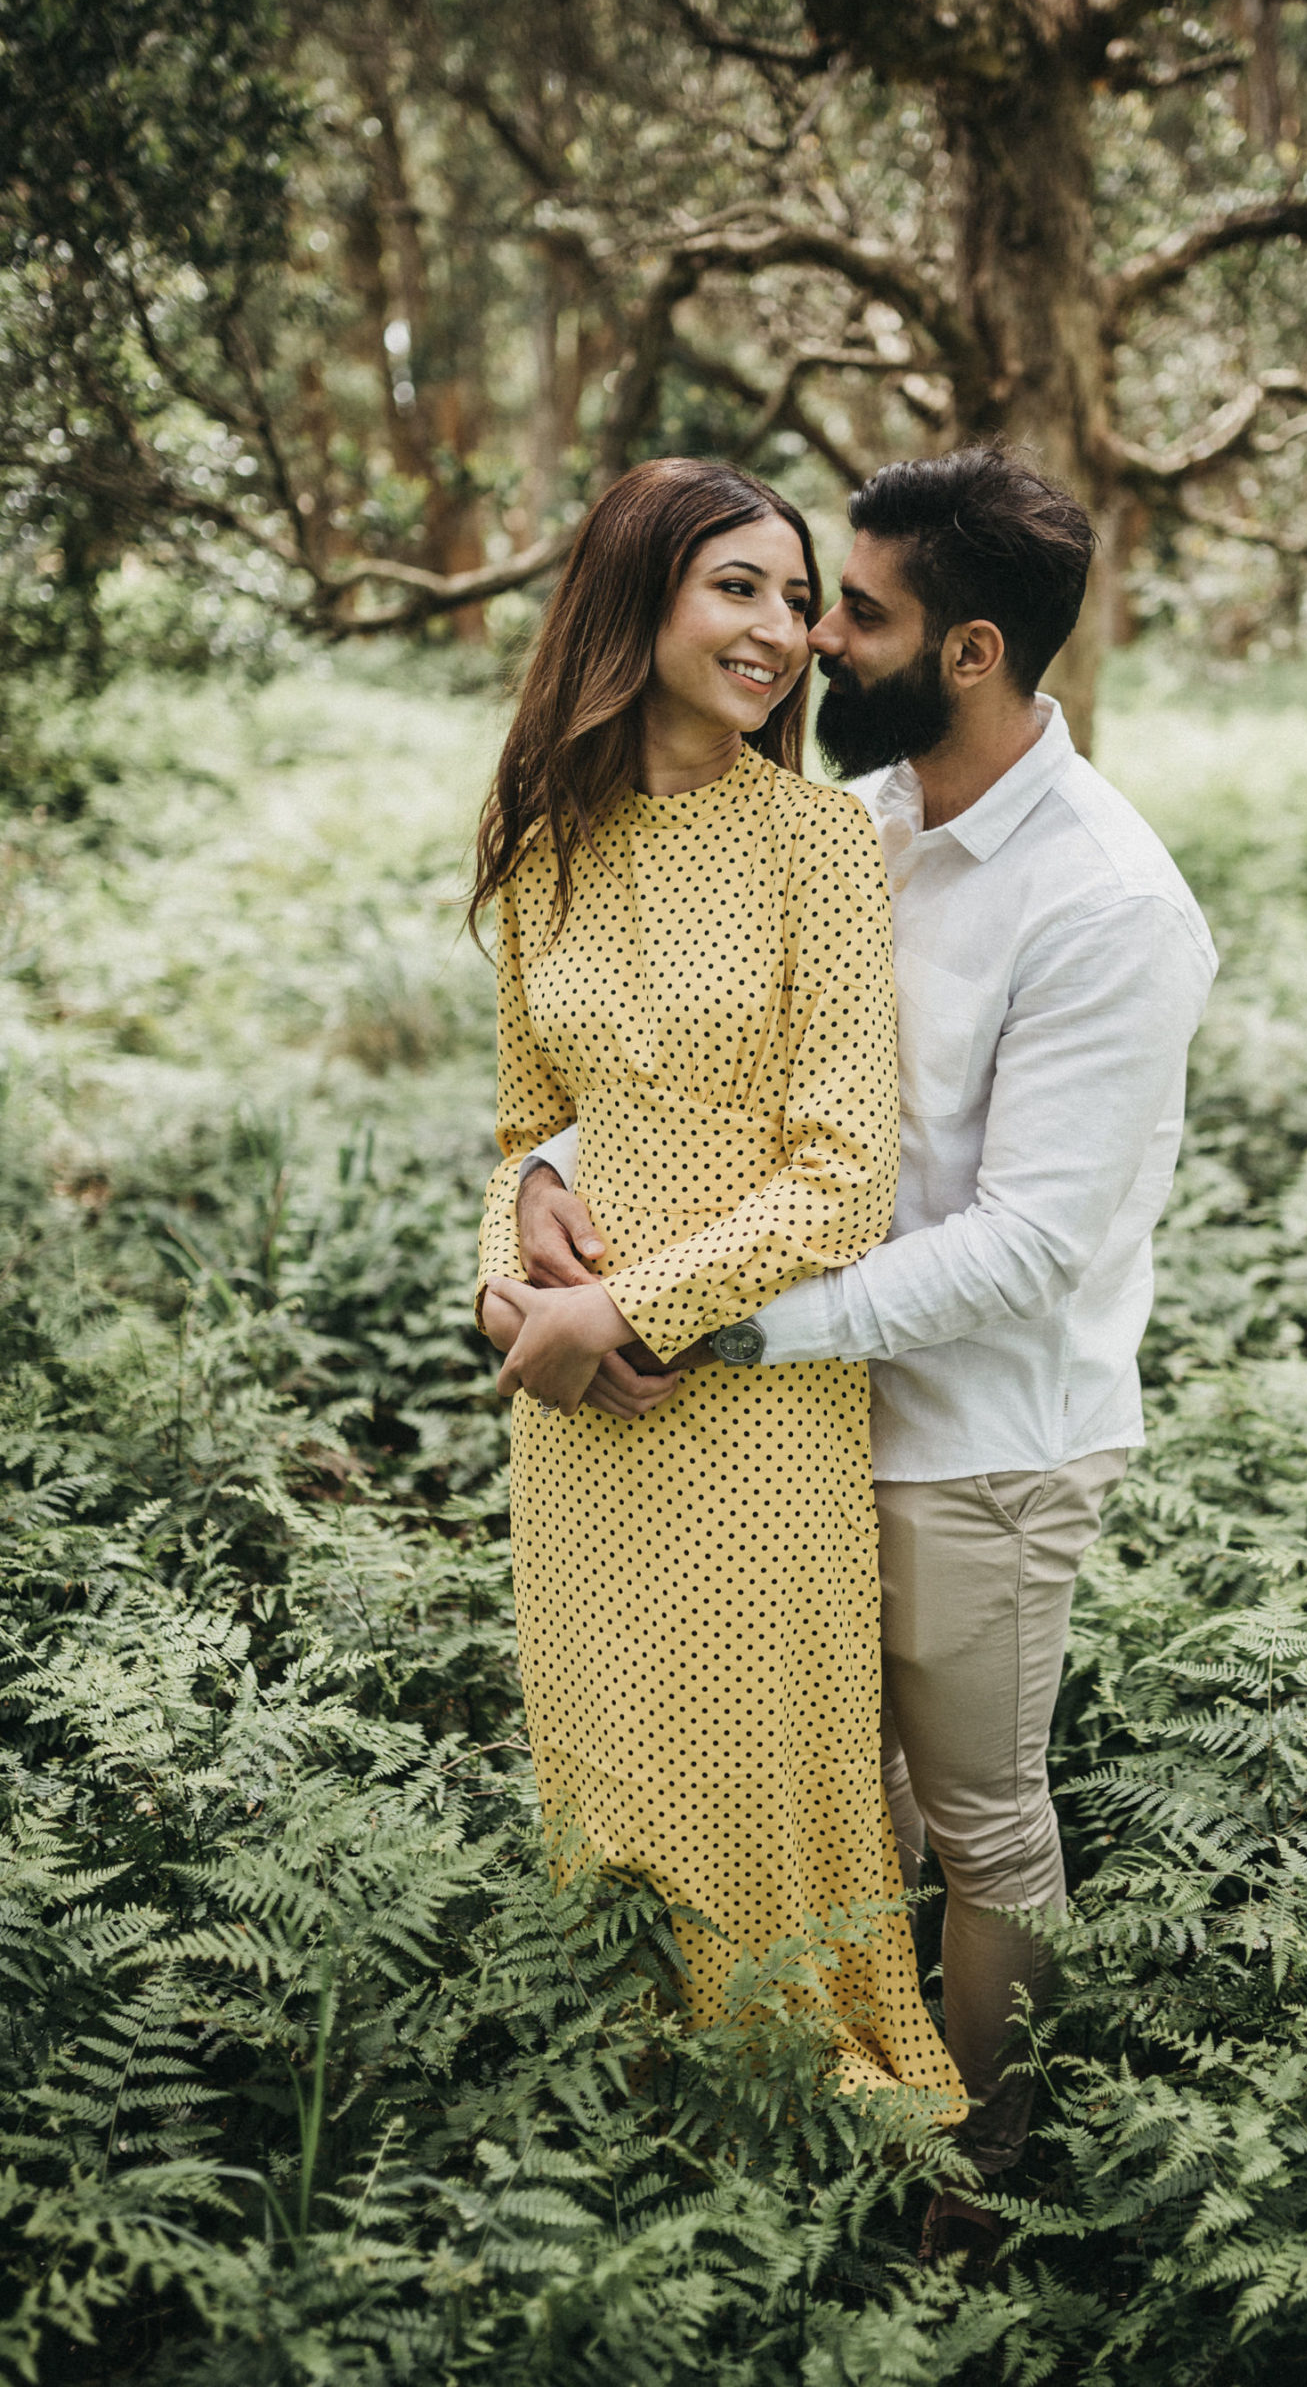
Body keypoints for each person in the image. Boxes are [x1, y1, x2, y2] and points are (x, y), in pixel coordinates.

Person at [517, 447, 1217, 2259]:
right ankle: (812, 2130)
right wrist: (543, 1179)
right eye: (786, 595)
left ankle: (967, 2186)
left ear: (970, 650)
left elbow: (1025, 1247)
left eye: (856, 610)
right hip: (791, 1427)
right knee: (843, 1815)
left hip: (978, 1437)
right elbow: (677, 1067)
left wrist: (701, 1323)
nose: (816, 639)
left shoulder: (1106, 902)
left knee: (975, 1825)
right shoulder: (879, 817)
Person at [470, 454, 960, 2104]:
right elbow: (529, 1125)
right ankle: (643, 2144)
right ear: (637, 599)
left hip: (752, 1413)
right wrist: (506, 1288)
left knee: (756, 1779)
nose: (777, 630)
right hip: (573, 1434)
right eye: (732, 587)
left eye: (791, 593)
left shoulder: (815, 843)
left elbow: (844, 1178)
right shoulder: (547, 837)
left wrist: (626, 1306)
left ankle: (832, 2133)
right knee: (602, 1785)